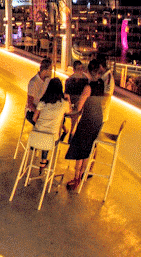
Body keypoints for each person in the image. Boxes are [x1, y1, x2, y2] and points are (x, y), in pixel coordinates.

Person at [65, 60, 104, 190]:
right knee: (88, 148)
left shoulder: (88, 87)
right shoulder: (101, 84)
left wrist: (72, 108)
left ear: (88, 71)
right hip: (98, 119)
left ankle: (76, 177)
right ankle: (82, 175)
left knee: (79, 147)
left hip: (88, 119)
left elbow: (79, 106)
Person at [32, 78, 70, 166]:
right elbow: (69, 112)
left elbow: (34, 119)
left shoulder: (43, 101)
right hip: (51, 140)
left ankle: (43, 161)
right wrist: (68, 99)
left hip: (35, 138)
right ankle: (43, 161)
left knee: (45, 135)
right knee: (50, 136)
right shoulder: (64, 103)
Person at [25, 58, 53, 124]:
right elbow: (30, 104)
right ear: (45, 70)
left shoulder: (48, 80)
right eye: (50, 69)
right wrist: (40, 113)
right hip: (32, 111)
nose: (51, 72)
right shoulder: (33, 82)